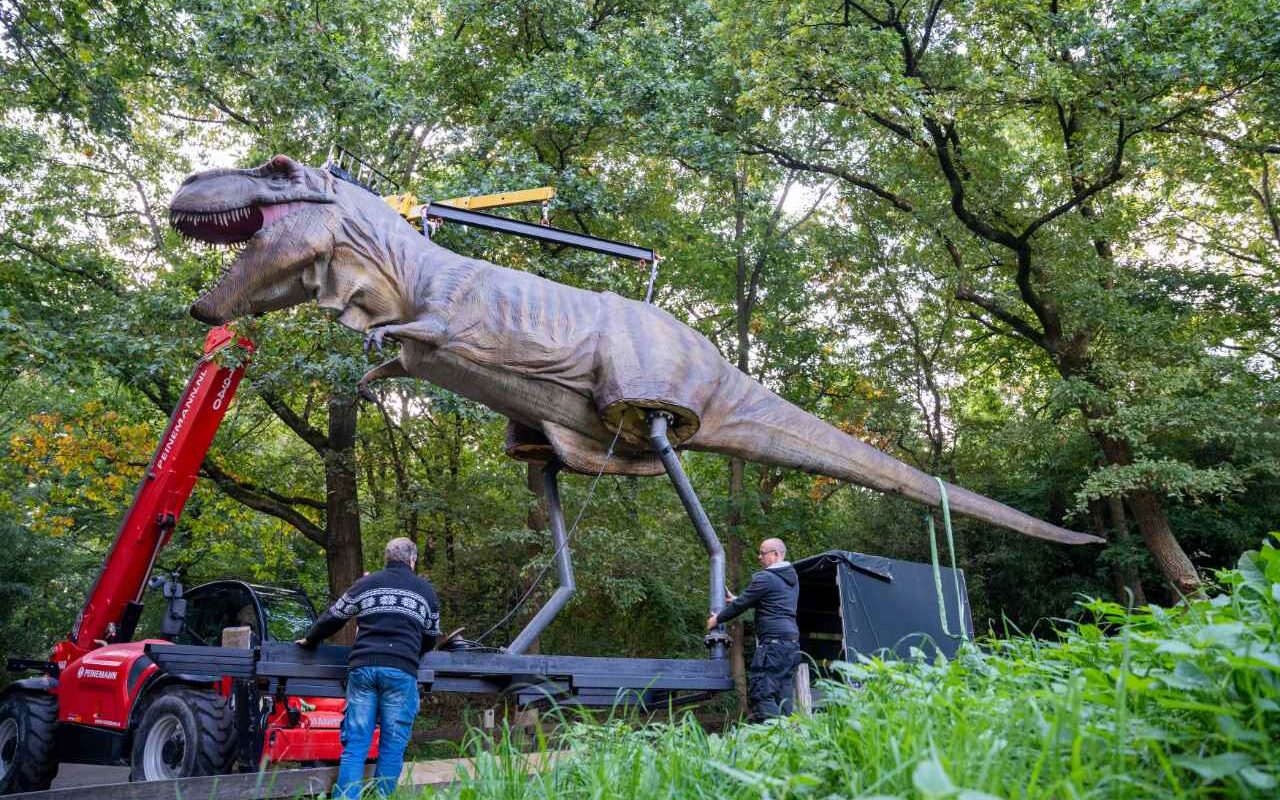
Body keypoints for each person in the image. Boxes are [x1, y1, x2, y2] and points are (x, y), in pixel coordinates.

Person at [296, 538, 441, 799]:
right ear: (413, 559)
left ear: (387, 558)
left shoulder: (367, 583)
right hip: (400, 672)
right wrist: (409, 653)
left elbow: (334, 617)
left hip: (363, 669)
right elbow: (430, 637)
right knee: (392, 746)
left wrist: (310, 639)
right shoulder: (426, 591)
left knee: (356, 743)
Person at [706, 537, 800, 722]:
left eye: (762, 553)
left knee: (761, 693)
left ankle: (777, 736)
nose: (759, 557)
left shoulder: (766, 578)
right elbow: (768, 601)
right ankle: (792, 742)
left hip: (772, 646)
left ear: (775, 555)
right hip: (791, 645)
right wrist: (738, 599)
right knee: (783, 696)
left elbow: (740, 606)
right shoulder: (791, 579)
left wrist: (716, 619)